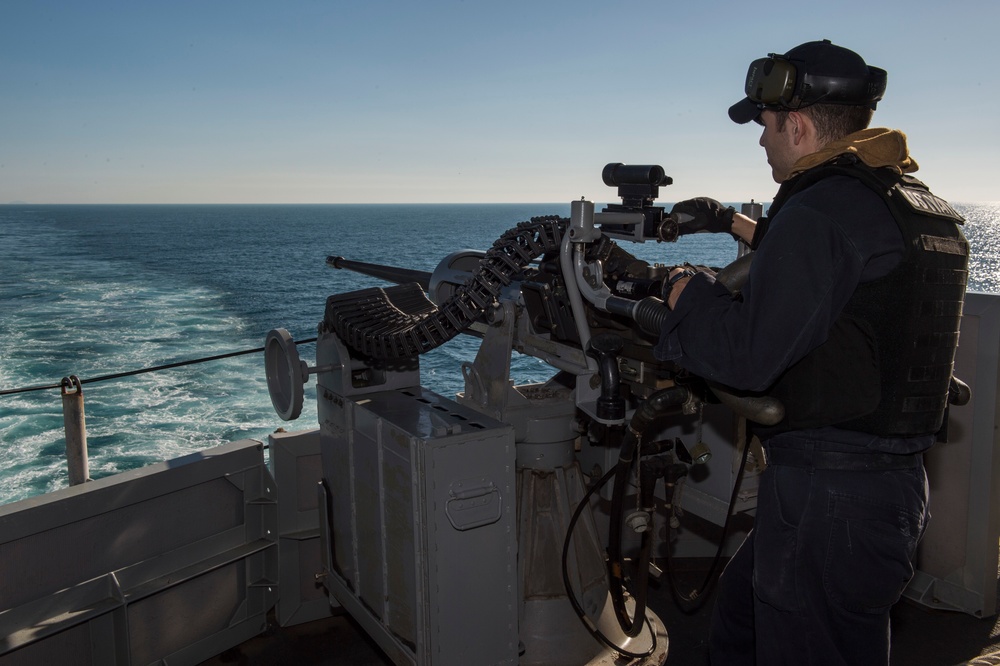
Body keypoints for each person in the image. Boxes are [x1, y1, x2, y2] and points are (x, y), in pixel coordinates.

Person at [654, 40, 969, 665]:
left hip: (830, 493)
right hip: (885, 485)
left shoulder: (821, 208)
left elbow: (746, 356)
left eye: (767, 127)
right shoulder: (903, 200)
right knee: (744, 625)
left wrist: (685, 292)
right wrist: (730, 222)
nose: (762, 141)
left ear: (796, 125)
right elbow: (842, 277)